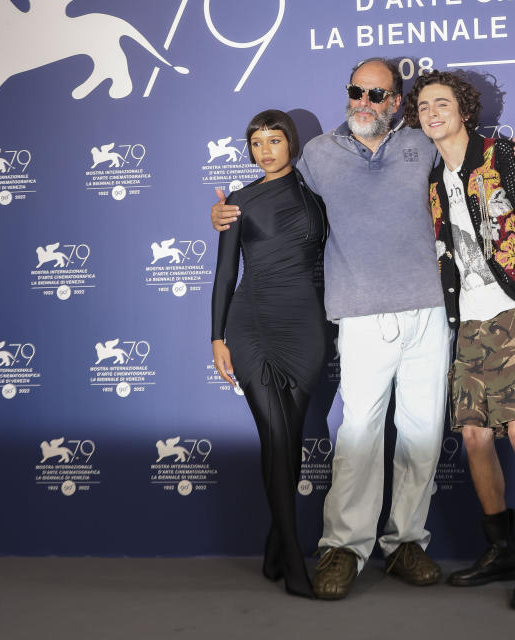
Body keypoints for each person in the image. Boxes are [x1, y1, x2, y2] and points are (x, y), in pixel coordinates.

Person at [211, 59, 515, 600]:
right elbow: (275, 193)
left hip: (428, 312)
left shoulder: (421, 142)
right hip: (359, 315)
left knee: (421, 434)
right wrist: (229, 214)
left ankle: (406, 541)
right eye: (355, 92)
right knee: (359, 435)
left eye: (377, 94)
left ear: (395, 101)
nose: (364, 102)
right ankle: (344, 546)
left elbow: (472, 158)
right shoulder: (318, 154)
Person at [403, 70, 515, 610]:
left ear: (464, 109)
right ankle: (500, 551)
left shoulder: (502, 157)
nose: (432, 113)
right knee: (475, 439)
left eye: (441, 103)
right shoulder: (431, 178)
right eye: (423, 105)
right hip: (469, 324)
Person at [210, 109, 327, 599]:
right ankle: (294, 558)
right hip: (252, 325)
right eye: (256, 142)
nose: (265, 150)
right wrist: (217, 336)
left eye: (274, 140)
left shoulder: (319, 197)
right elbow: (224, 274)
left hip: (307, 329)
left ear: (292, 144)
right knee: (276, 432)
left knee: (289, 438)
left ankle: (274, 546)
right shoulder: (236, 202)